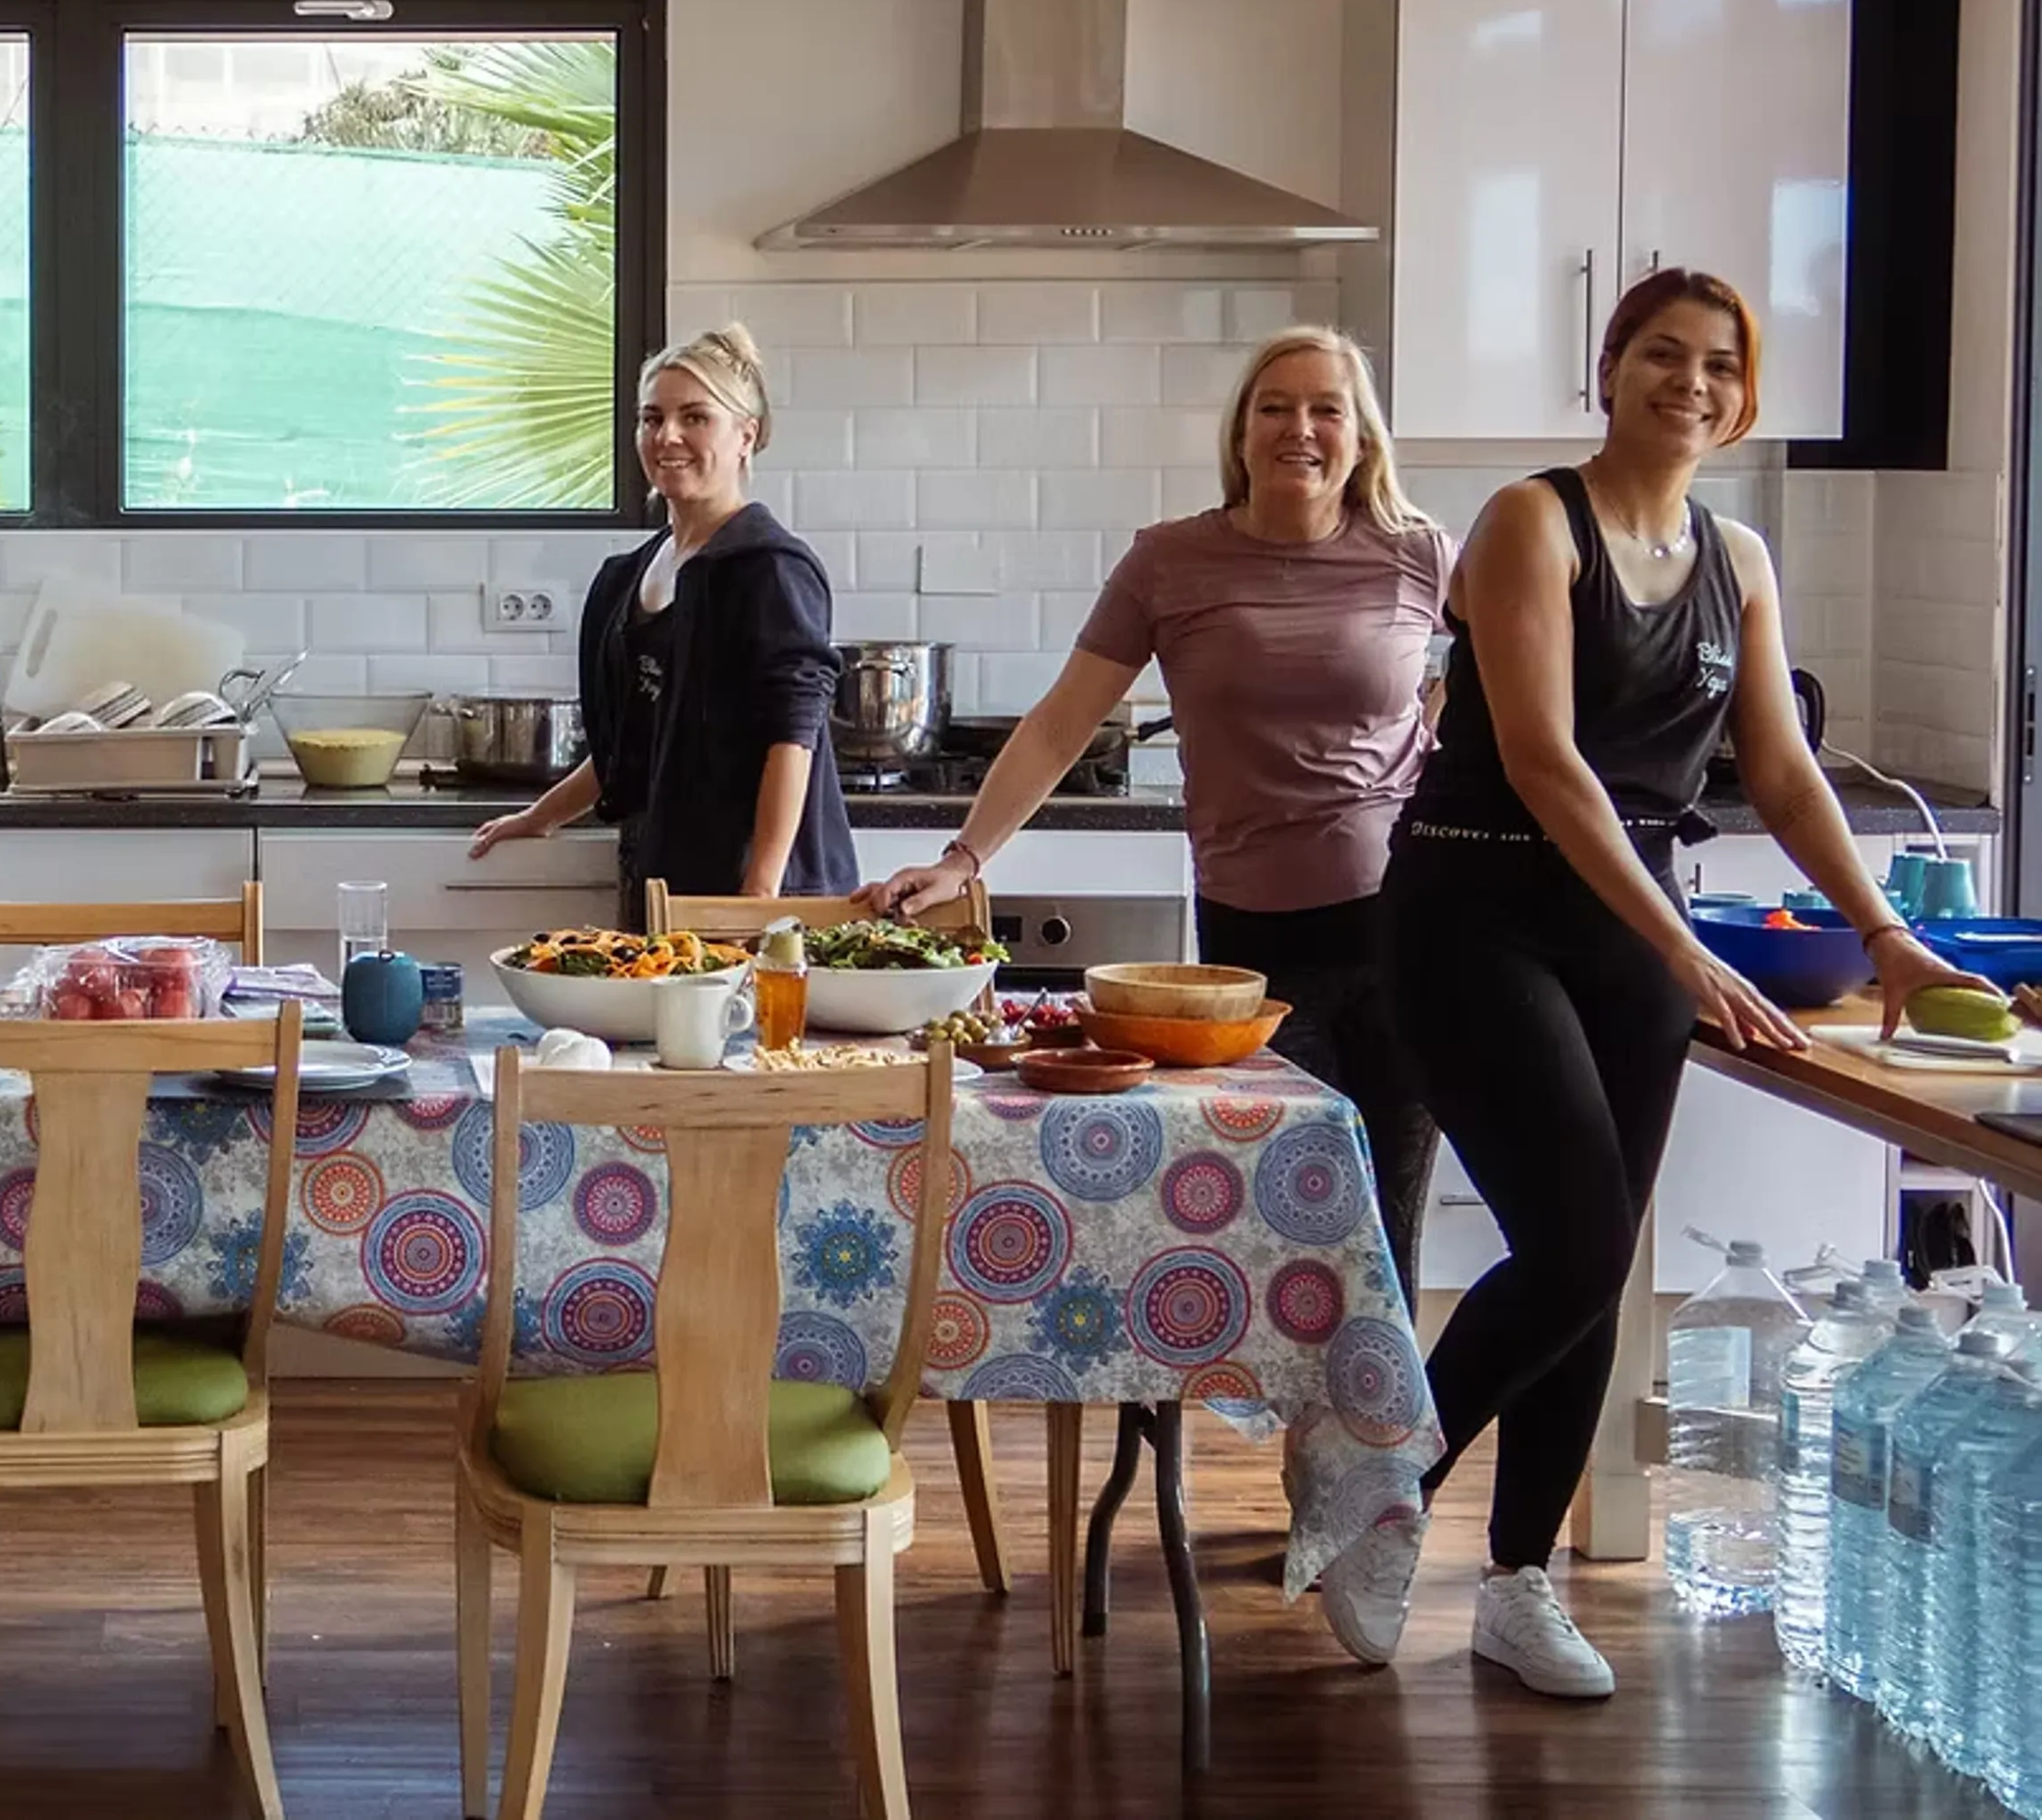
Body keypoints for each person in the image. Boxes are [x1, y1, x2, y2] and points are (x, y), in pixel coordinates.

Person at [1313, 269, 1984, 1698]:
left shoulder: (1739, 558)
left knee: (1600, 1256)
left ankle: (1518, 1581)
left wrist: (1887, 935)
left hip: (1627, 929)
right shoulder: (1527, 522)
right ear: (1608, 370)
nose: (1693, 382)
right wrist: (1686, 948)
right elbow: (1548, 758)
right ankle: (1384, 1489)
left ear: (1746, 393)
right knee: (1572, 1237)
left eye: (1721, 364)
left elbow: (1783, 771)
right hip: (1477, 905)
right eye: (1663, 355)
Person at [863, 327, 1448, 1308]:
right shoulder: (1173, 561)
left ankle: (1379, 1457)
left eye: (1325, 408)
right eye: (1275, 406)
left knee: (1387, 1221)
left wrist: (1440, 739)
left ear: (1362, 438)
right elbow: (1059, 725)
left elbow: (1522, 677)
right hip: (1247, 951)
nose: (1298, 428)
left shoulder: (1420, 554)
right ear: (1240, 430)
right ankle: (1179, 1443)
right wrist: (967, 857)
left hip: (1406, 926)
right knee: (1239, 1217)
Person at [467, 324, 855, 919]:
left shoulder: (769, 567)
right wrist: (541, 817)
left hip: (762, 887)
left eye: (695, 417)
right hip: (667, 877)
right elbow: (634, 745)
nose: (667, 436)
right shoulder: (634, 572)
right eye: (652, 418)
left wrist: (759, 896)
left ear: (746, 436)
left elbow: (791, 738)